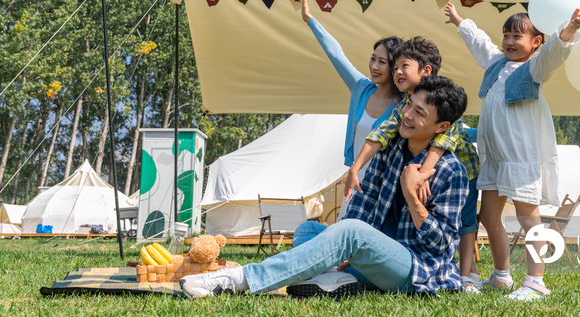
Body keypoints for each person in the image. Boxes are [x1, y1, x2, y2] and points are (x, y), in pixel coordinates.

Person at [180, 76, 469, 298]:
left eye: (419, 113)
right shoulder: (393, 147)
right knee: (311, 231)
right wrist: (344, 245)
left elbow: (441, 245)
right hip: (376, 256)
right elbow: (365, 200)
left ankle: (239, 280)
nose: (407, 115)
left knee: (350, 233)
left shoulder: (450, 170)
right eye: (408, 105)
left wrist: (412, 198)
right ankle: (338, 276)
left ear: (441, 127)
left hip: (416, 270)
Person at [443, 2, 580, 301]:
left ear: (535, 42)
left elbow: (553, 53)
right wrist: (459, 20)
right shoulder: (497, 63)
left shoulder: (534, 68)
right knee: (487, 216)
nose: (509, 42)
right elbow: (479, 42)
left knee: (528, 218)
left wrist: (570, 29)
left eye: (517, 37)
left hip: (520, 156)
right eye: (507, 35)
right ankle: (501, 276)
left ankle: (536, 280)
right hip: (494, 157)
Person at [346, 36, 482, 292]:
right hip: (421, 182)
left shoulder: (444, 109)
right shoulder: (403, 111)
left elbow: (441, 144)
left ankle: (466, 276)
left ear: (425, 71)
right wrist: (355, 167)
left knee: (465, 225)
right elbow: (380, 133)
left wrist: (421, 174)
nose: (397, 72)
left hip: (461, 174)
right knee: (311, 231)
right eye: (394, 67)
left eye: (402, 66)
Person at [296, 0, 403, 228]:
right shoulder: (361, 88)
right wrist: (310, 20)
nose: (374, 66)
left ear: (395, 67)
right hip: (354, 179)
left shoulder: (403, 105)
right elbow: (337, 55)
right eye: (373, 58)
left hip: (383, 186)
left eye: (382, 62)